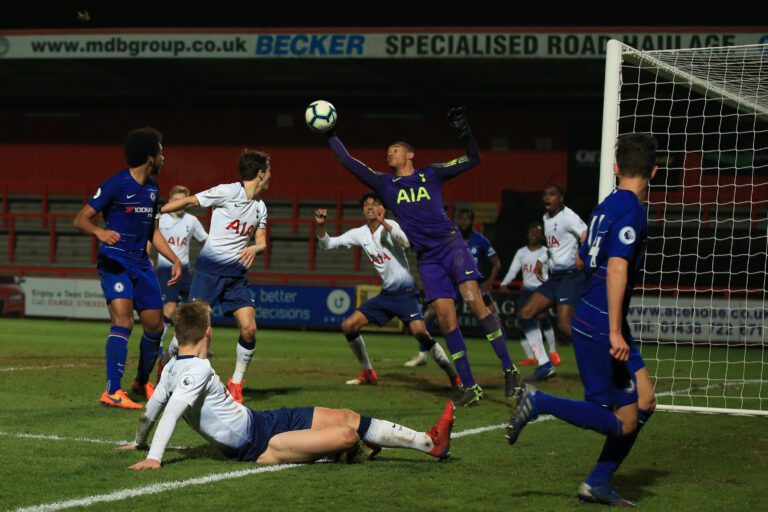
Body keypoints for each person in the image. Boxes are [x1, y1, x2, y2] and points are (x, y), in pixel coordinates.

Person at [323, 106, 518, 407]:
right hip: (426, 258)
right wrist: (330, 134)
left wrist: (465, 132)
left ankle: (510, 369)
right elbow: (348, 161)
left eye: (395, 150)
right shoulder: (385, 184)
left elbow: (474, 159)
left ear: (410, 155)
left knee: (473, 300)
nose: (390, 154)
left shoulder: (432, 173)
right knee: (445, 321)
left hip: (451, 245)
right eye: (388, 150)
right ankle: (470, 386)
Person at [506, 133, 659, 507]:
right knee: (623, 420)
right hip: (602, 322)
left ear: (616, 168)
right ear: (654, 172)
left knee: (646, 401)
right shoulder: (633, 210)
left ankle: (597, 483)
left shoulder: (604, 206)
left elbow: (584, 261)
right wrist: (614, 332)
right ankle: (540, 403)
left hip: (598, 314)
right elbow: (618, 266)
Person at [120, 301, 455, 468]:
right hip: (259, 446)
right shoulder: (197, 372)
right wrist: (154, 457)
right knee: (347, 434)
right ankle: (344, 451)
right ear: (208, 332)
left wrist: (137, 443)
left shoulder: (170, 369)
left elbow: (148, 414)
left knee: (347, 414)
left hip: (261, 421)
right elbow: (169, 414)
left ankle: (428, 442)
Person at [73, 127, 183, 409]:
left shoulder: (152, 189)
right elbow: (81, 219)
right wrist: (99, 233)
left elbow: (152, 232)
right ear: (149, 157)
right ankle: (112, 390)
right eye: (160, 152)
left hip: (141, 264)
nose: (163, 158)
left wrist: (174, 259)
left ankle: (140, 381)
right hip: (115, 262)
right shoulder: (115, 184)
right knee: (122, 321)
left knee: (155, 327)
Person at [315, 192, 460, 389]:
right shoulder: (360, 233)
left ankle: (453, 376)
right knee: (348, 325)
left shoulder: (391, 226)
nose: (370, 207)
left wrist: (385, 223)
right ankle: (368, 372)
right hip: (386, 295)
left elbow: (406, 242)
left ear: (382, 208)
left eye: (374, 203)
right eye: (366, 204)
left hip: (406, 293)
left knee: (420, 333)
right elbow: (327, 244)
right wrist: (321, 226)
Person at [160, 149, 270, 404]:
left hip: (236, 277)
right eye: (269, 171)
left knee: (249, 329)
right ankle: (166, 367)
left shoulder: (261, 207)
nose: (271, 176)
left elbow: (261, 241)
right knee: (192, 331)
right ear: (261, 173)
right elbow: (188, 201)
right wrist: (158, 212)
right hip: (209, 272)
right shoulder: (226, 191)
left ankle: (236, 383)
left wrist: (255, 247)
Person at [404, 208, 502, 367]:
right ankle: (422, 354)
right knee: (430, 315)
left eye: (468, 219)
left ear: (473, 221)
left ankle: (503, 357)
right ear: (457, 221)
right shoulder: (449, 238)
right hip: (451, 284)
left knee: (494, 317)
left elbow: (497, 263)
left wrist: (487, 284)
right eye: (461, 219)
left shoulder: (480, 240)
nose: (464, 222)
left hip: (472, 284)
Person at [518, 183, 587, 379]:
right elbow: (553, 247)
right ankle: (544, 364)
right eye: (545, 194)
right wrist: (541, 259)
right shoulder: (546, 218)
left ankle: (597, 360)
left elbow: (587, 235)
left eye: (552, 194)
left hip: (572, 276)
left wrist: (583, 257)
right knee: (526, 313)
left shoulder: (569, 217)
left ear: (561, 198)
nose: (547, 198)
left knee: (565, 325)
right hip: (555, 277)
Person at [154, 185, 208, 354]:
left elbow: (205, 240)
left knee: (196, 307)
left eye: (182, 201)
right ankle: (159, 343)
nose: (179, 204)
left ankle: (188, 344)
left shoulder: (191, 221)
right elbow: (150, 237)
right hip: (166, 269)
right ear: (169, 201)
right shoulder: (161, 220)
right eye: (176, 201)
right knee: (169, 308)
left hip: (185, 270)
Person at [499, 222, 558, 380]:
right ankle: (543, 361)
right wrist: (504, 283)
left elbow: (555, 269)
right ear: (527, 234)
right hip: (526, 291)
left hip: (541, 290)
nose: (534, 234)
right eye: (532, 231)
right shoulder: (522, 252)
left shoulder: (546, 251)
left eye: (538, 232)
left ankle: (551, 353)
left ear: (542, 236)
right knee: (525, 320)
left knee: (541, 318)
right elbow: (513, 269)